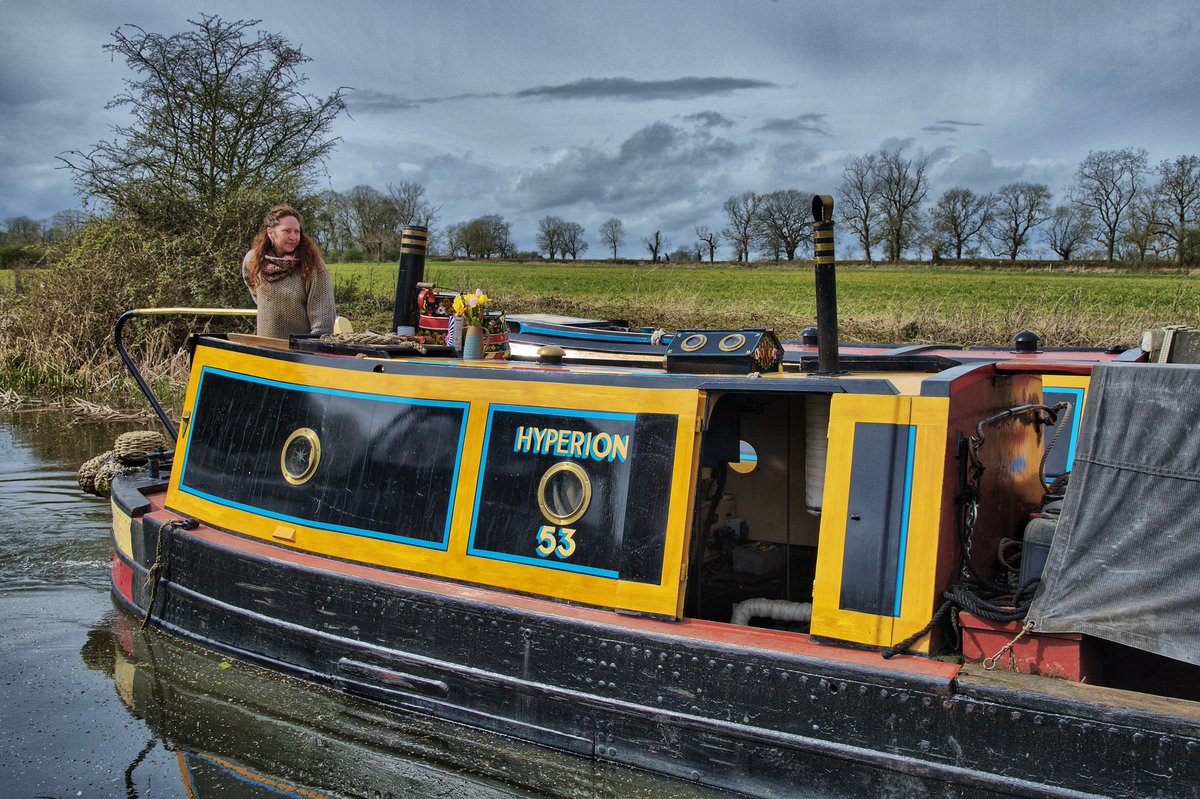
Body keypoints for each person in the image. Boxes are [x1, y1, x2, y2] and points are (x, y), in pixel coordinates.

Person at [242, 205, 335, 337]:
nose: (293, 237)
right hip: (264, 348)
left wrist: (309, 349)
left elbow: (323, 323)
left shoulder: (312, 265)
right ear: (270, 233)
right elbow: (251, 282)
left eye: (296, 232)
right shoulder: (253, 259)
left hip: (299, 353)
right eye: (287, 231)